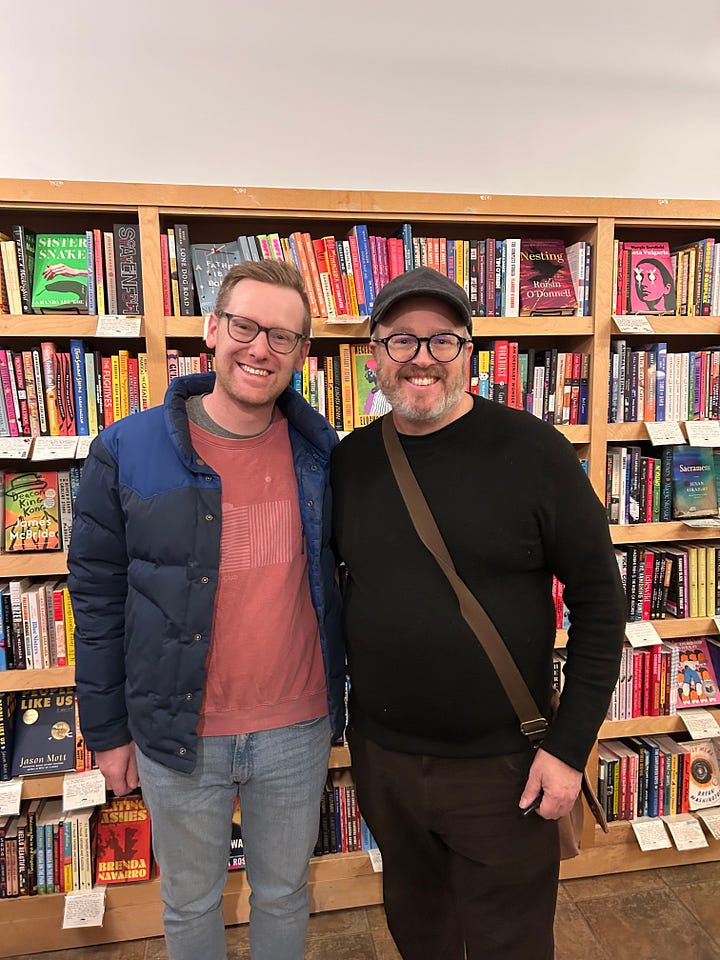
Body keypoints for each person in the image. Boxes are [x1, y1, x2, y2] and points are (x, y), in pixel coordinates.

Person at [331, 266, 626, 960]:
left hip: (505, 768)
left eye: (443, 340)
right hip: (384, 760)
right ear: (374, 354)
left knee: (510, 944)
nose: (422, 358)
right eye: (402, 340)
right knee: (419, 933)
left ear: (470, 352)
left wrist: (568, 748)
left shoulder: (535, 452)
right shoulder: (350, 463)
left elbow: (600, 603)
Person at [67, 260, 344, 960]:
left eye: (282, 336)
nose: (261, 349)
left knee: (284, 894)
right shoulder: (125, 449)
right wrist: (106, 731)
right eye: (245, 326)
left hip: (298, 727)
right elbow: (96, 600)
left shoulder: (323, 454)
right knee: (189, 903)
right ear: (212, 329)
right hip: (178, 730)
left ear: (302, 353)